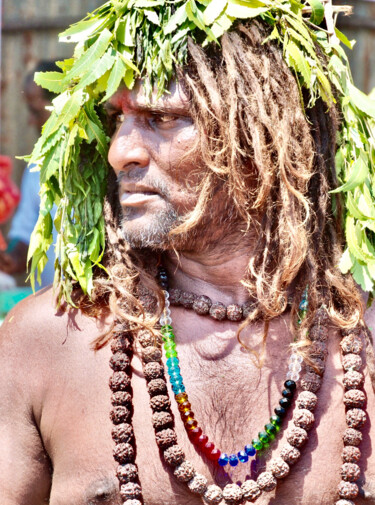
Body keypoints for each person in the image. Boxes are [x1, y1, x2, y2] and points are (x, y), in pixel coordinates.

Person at [0, 2, 375, 505]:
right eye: (119, 120)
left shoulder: (361, 344)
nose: (120, 151)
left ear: (264, 135)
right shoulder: (46, 342)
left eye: (161, 117)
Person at [0, 61, 57, 287]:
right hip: (51, 307)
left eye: (35, 111)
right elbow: (26, 230)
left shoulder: (103, 165)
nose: (31, 121)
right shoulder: (37, 167)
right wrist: (12, 257)